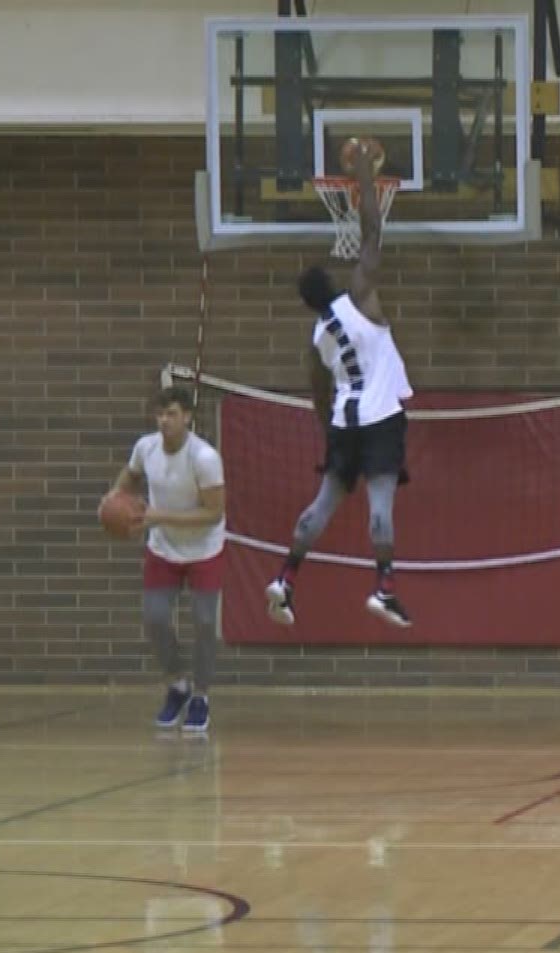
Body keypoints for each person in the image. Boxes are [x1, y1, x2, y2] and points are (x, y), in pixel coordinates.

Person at [264, 137, 413, 630]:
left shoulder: (315, 338)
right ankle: (384, 586)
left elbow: (318, 395)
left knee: (323, 504)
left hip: (342, 421)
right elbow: (373, 228)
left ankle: (285, 579)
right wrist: (365, 173)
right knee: (381, 505)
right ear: (332, 282)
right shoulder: (361, 295)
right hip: (380, 416)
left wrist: (329, 436)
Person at [102, 385, 227, 732]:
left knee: (203, 622)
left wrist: (159, 516)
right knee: (155, 617)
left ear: (187, 416)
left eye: (171, 414)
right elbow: (130, 474)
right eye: (160, 414)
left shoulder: (204, 458)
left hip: (204, 548)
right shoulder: (146, 447)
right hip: (163, 547)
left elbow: (214, 513)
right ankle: (177, 685)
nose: (164, 421)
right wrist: (114, 497)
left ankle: (201, 695)